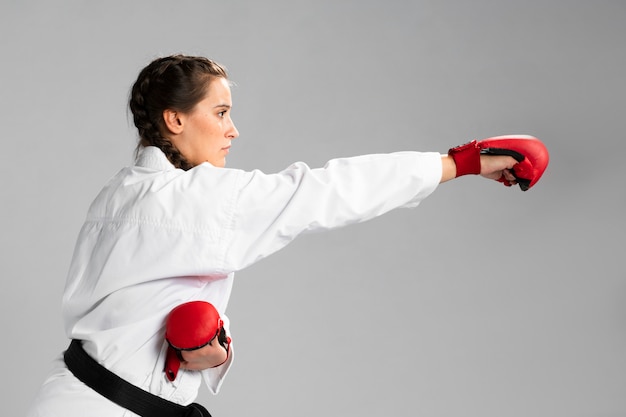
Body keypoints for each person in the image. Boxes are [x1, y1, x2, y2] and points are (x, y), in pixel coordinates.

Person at [27, 54, 525, 417]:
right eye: (220, 113)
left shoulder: (116, 195)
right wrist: (458, 163)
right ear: (175, 120)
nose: (233, 130)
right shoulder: (198, 198)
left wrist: (208, 350)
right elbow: (328, 190)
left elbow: (128, 312)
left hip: (72, 395)